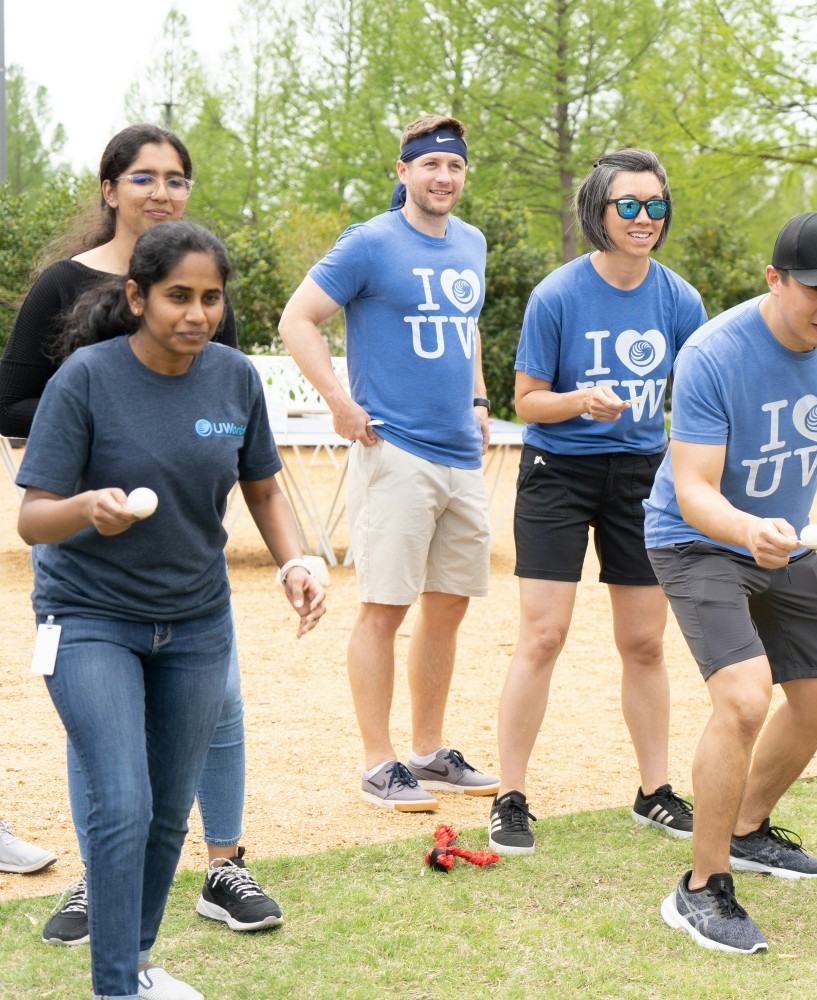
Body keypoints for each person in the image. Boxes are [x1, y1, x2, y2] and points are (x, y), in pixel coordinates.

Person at [15, 221, 325, 1000]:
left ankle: (137, 963)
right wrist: (88, 506)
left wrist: (294, 559)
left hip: (195, 623)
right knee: (122, 801)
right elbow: (33, 517)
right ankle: (117, 987)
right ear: (137, 297)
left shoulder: (233, 378)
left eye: (210, 298)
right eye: (178, 296)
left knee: (165, 816)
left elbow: (260, 485)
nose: (196, 313)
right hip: (87, 617)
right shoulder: (85, 379)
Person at [0, 124, 282, 945]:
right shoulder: (65, 286)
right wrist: (93, 411)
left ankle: (224, 865)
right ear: (109, 188)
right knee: (105, 721)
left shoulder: (197, 283)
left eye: (176, 177)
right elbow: (10, 401)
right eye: (144, 176)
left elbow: (227, 412)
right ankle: (102, 879)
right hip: (85, 541)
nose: (161, 190)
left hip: (186, 564)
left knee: (218, 701)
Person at [648, 211, 817, 953]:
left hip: (782, 539)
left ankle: (747, 829)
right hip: (699, 540)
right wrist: (749, 531)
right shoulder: (714, 355)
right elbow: (693, 489)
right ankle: (700, 887)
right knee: (746, 696)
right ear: (775, 279)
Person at [280, 114, 500, 813]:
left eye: (455, 167)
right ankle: (380, 764)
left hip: (462, 454)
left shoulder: (471, 243)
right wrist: (340, 401)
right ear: (403, 172)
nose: (443, 178)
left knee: (447, 610)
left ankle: (428, 754)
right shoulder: (370, 243)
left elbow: (465, 329)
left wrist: (480, 398)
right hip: (394, 448)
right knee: (384, 608)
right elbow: (297, 318)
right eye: (429, 165)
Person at [490, 149, 705, 854]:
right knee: (543, 636)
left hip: (642, 475)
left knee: (644, 642)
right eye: (629, 206)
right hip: (559, 471)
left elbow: (698, 399)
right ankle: (510, 795)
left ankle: (654, 792)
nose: (645, 219)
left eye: (656, 205)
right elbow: (524, 401)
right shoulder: (557, 295)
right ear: (599, 213)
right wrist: (578, 402)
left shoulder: (679, 299)